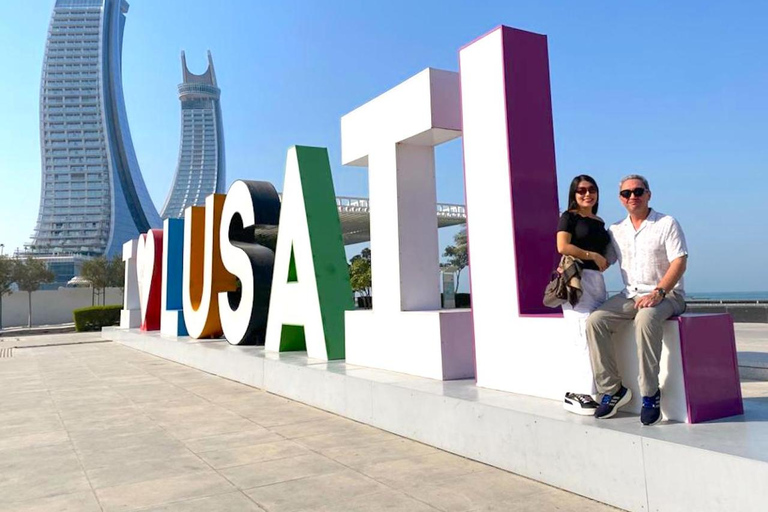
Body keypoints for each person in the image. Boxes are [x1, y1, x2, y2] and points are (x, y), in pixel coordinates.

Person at [586, 174, 688, 426]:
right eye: (626, 193)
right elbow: (603, 262)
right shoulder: (616, 230)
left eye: (638, 191)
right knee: (595, 321)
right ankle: (613, 390)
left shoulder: (666, 223)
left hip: (668, 295)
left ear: (648, 194)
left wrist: (659, 292)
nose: (632, 197)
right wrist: (571, 253)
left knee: (645, 318)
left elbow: (680, 261)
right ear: (620, 199)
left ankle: (650, 393)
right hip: (629, 295)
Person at [556, 175, 612, 415]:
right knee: (581, 335)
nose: (587, 194)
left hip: (597, 282)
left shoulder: (599, 221)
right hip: (577, 281)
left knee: (596, 334)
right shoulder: (568, 217)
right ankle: (578, 392)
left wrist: (604, 259)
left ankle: (593, 389)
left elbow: (608, 253)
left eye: (591, 190)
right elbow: (563, 247)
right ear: (574, 193)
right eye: (581, 190)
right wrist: (593, 256)